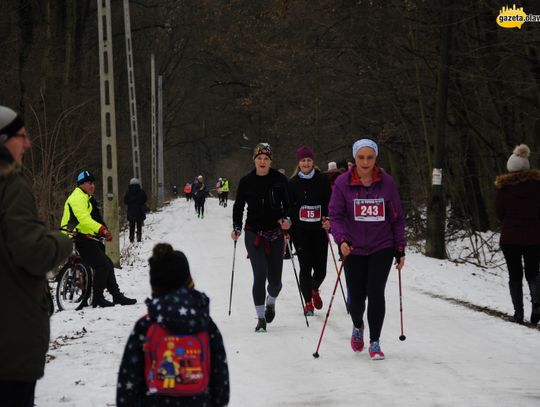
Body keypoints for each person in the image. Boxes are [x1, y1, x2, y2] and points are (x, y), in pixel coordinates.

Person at [0, 105, 72, 406]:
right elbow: (34, 253)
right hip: (10, 342)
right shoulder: (11, 187)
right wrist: (62, 240)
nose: (28, 144)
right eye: (22, 136)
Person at [117, 243, 229, 407]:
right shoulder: (205, 324)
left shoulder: (146, 325)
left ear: (154, 287)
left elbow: (128, 381)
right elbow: (220, 382)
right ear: (190, 283)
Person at [329, 138, 406, 360]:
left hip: (382, 245)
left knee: (375, 293)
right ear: (355, 158)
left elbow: (397, 218)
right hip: (352, 247)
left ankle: (375, 342)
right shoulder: (343, 183)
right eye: (361, 157)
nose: (365, 162)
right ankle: (357, 325)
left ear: (375, 158)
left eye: (370, 157)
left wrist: (400, 247)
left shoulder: (387, 183)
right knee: (356, 297)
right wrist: (341, 239)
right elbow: (335, 215)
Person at [231, 142, 291, 332]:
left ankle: (270, 302)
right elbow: (238, 206)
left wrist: (287, 219)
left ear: (270, 161)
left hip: (275, 233)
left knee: (275, 283)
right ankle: (260, 318)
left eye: (266, 159)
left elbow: (289, 204)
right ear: (254, 160)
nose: (263, 162)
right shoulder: (246, 181)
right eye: (259, 158)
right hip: (253, 233)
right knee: (260, 275)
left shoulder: (280, 180)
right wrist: (237, 227)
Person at [61, 170, 137, 307]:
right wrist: (102, 230)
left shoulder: (86, 199)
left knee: (107, 263)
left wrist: (102, 232)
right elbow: (84, 220)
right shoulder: (77, 198)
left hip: (83, 234)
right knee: (102, 264)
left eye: (93, 183)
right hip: (75, 236)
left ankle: (116, 295)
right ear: (81, 184)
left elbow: (89, 221)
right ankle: (97, 298)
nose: (92, 186)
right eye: (89, 183)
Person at [495, 144, 540, 324]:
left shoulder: (503, 188)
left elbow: (499, 213)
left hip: (510, 238)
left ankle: (518, 313)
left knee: (515, 275)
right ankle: (537, 303)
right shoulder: (537, 187)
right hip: (534, 237)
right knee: (533, 272)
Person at [288, 146, 332, 316]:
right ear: (298, 163)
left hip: (319, 230)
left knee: (321, 270)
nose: (306, 163)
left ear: (313, 162)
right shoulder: (292, 183)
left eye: (308, 160)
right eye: (303, 160)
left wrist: (328, 219)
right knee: (305, 267)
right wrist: (288, 226)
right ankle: (307, 302)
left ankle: (314, 289)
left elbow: (330, 203)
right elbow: (289, 207)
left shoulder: (322, 180)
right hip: (300, 232)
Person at [123, 178, 148, 243]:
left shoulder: (128, 192)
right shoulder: (141, 191)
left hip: (131, 211)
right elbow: (145, 199)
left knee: (132, 226)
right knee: (139, 225)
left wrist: (130, 203)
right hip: (139, 211)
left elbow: (125, 201)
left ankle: (131, 238)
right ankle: (139, 237)